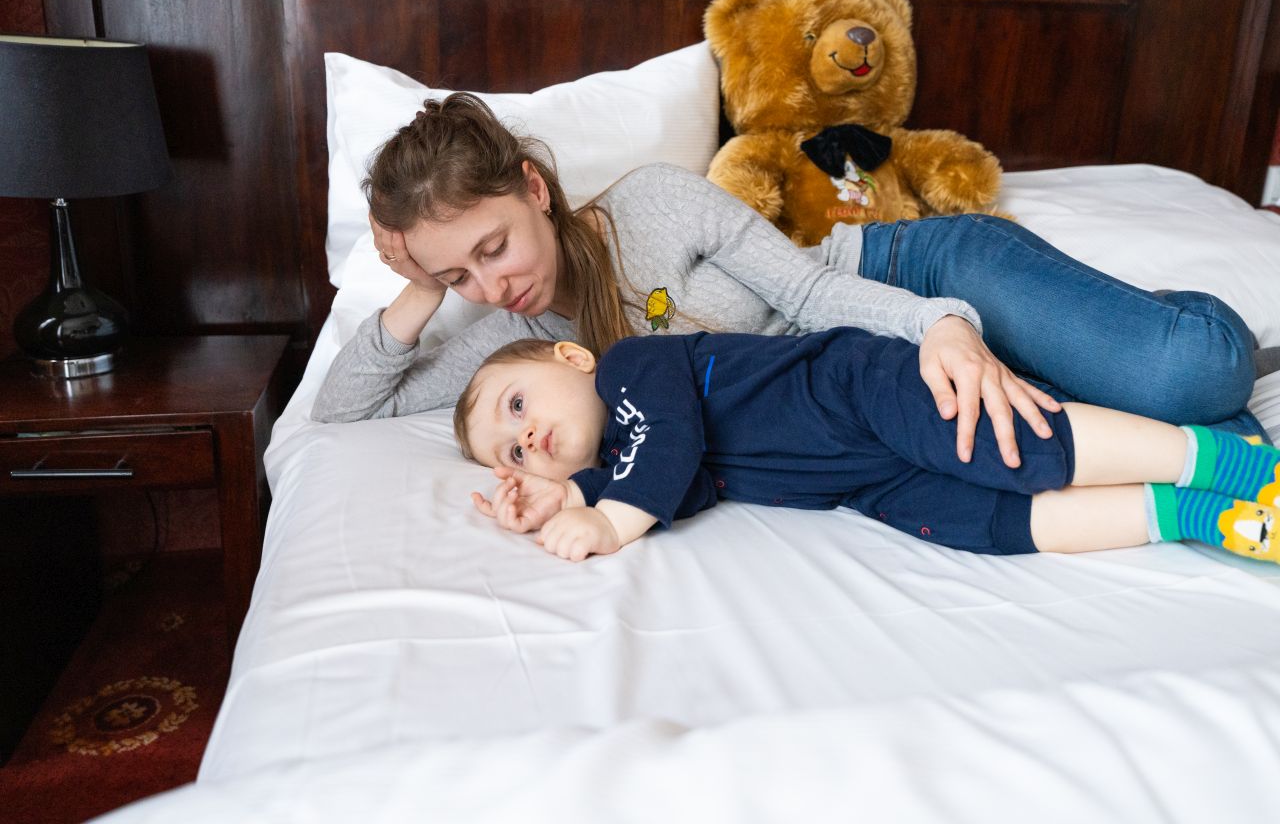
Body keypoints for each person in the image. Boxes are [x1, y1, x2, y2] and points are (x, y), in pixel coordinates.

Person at [312, 93, 1268, 466]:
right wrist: (419, 288)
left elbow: (808, 297)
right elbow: (343, 411)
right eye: (459, 273)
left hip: (911, 274)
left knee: (1189, 377)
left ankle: (1173, 318)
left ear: (533, 188)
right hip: (870, 377)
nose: (490, 285)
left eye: (493, 248)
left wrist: (940, 321)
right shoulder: (511, 347)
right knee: (1114, 429)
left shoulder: (650, 205)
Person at [455, 331, 1280, 564]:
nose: (524, 437)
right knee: (988, 524)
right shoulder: (625, 463)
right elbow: (686, 482)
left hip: (856, 391)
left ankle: (1229, 463)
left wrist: (606, 519)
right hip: (857, 479)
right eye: (514, 453)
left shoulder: (631, 369)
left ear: (572, 357)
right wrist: (572, 494)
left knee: (1007, 448)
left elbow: (670, 438)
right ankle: (1196, 517)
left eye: (516, 405)